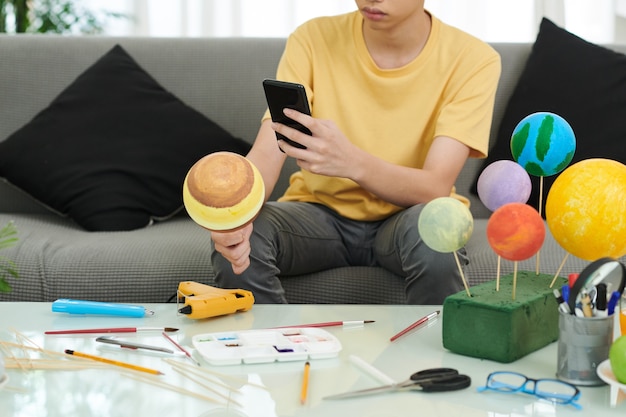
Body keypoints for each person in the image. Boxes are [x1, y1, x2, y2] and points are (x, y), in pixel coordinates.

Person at [210, 0, 501, 304]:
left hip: (407, 218)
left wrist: (352, 162)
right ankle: (272, 347)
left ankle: (431, 350)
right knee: (246, 231)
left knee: (437, 232)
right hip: (318, 215)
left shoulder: (474, 59)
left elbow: (435, 186)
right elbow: (269, 150)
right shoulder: (312, 38)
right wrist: (236, 213)